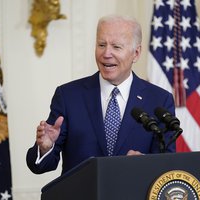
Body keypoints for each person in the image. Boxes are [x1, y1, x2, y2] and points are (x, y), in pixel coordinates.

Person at [26, 14, 176, 175]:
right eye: (101, 45)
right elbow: (41, 166)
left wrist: (145, 163)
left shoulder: (159, 100)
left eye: (116, 47)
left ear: (136, 53)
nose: (106, 53)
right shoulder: (68, 96)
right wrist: (45, 147)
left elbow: (167, 167)